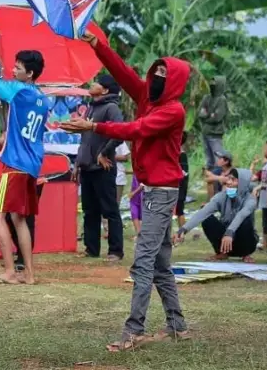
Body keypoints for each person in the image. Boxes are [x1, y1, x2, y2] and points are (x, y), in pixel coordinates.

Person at [62, 31, 191, 352]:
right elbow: (122, 72)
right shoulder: (148, 98)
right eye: (156, 72)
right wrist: (98, 47)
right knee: (159, 262)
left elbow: (136, 130)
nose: (157, 77)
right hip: (153, 190)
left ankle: (133, 331)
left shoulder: (172, 110)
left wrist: (94, 126)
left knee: (144, 261)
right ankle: (178, 326)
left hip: (162, 193)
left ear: (174, 81)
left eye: (164, 74)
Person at [0, 47, 51, 286]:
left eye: (18, 68)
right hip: (31, 163)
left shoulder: (18, 91)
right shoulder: (43, 99)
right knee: (18, 218)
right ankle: (28, 274)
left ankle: (10, 270)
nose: (13, 70)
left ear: (29, 73)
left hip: (14, 164)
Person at [74, 74, 125, 261]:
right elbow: (84, 139)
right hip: (87, 167)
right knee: (90, 210)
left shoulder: (111, 108)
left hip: (103, 167)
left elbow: (119, 133)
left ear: (104, 90)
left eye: (96, 82)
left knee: (110, 209)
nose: (91, 84)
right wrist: (78, 164)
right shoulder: (90, 108)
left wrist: (104, 152)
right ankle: (91, 248)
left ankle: (115, 251)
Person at [176, 168, 257, 262]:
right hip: (225, 243)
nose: (228, 182)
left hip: (244, 243)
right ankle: (221, 253)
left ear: (242, 183)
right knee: (207, 219)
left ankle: (245, 254)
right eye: (228, 178)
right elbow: (204, 212)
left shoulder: (250, 200)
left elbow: (241, 215)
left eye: (233, 180)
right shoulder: (221, 197)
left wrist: (229, 232)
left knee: (245, 221)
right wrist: (184, 229)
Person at [198, 76, 228, 170]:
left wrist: (207, 115)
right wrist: (210, 115)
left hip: (215, 134)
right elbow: (200, 113)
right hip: (205, 132)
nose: (212, 86)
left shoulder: (221, 100)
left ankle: (217, 180)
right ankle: (210, 180)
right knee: (209, 160)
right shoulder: (207, 97)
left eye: (214, 84)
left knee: (218, 158)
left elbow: (217, 117)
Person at [250, 138, 267, 251]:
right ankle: (265, 244)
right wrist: (253, 165)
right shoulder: (266, 167)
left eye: (266, 147)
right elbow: (253, 178)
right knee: (266, 221)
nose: (264, 150)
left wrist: (259, 187)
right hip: (265, 199)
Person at [175, 134, 189, 229]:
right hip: (177, 185)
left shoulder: (182, 155)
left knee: (180, 209)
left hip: (181, 185)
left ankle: (182, 231)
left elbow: (184, 172)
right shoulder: (177, 154)